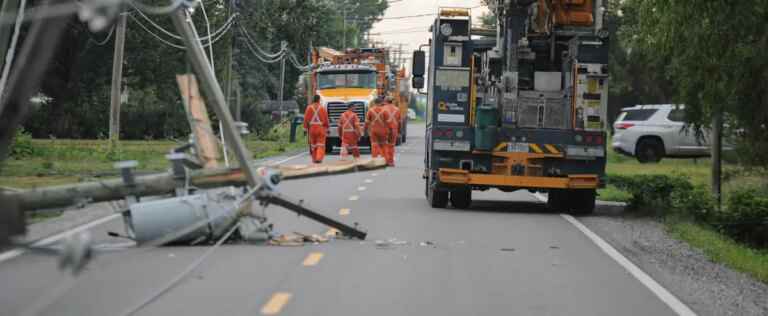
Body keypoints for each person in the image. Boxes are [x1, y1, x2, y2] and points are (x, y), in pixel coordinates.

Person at [303, 95, 329, 163]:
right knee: (320, 144)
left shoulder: (309, 108)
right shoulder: (322, 108)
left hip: (312, 129)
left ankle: (314, 159)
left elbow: (305, 119)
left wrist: (305, 129)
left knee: (313, 145)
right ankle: (318, 158)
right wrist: (328, 128)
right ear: (319, 100)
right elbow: (326, 119)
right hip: (320, 128)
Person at [383, 96, 401, 166]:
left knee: (385, 146)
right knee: (391, 146)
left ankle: (386, 161)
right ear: (392, 101)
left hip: (385, 130)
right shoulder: (397, 110)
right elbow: (399, 122)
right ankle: (391, 161)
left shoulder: (383, 109)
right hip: (394, 130)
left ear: (385, 101)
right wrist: (399, 131)